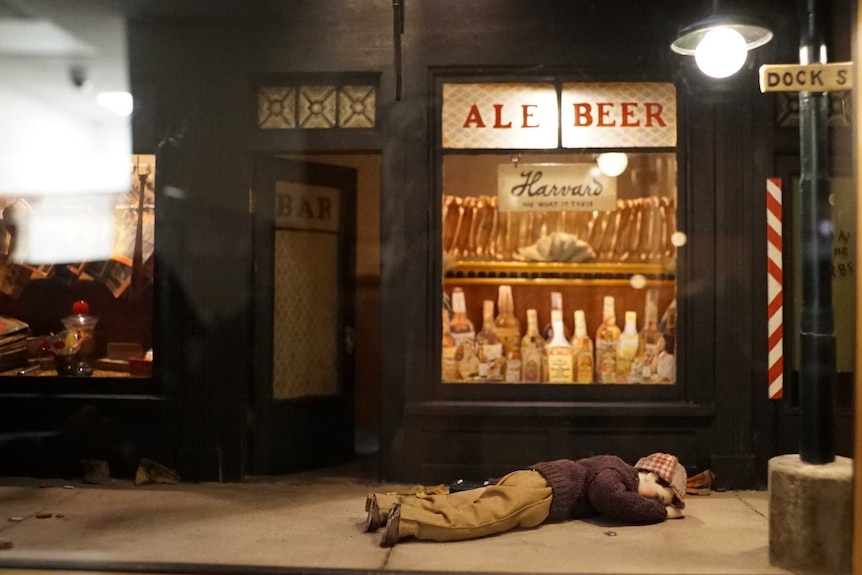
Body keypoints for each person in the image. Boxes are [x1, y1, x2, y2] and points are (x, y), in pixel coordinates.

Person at [364, 452, 686, 547]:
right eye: (658, 494)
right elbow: (610, 498)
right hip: (543, 493)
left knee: (464, 501)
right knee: (481, 518)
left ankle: (384, 506)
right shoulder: (616, 471)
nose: (655, 500)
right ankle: (407, 522)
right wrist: (662, 513)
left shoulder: (613, 468)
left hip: (533, 478)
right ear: (649, 475)